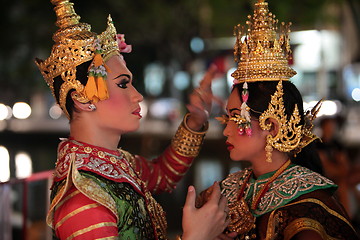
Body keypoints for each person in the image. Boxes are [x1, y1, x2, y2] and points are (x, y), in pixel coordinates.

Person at [35, 0, 229, 239]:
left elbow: (163, 175)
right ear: (82, 99)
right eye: (123, 84)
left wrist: (195, 122)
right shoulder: (83, 201)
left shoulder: (117, 162)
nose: (137, 96)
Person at [196, 0, 359, 239]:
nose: (226, 131)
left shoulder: (308, 208)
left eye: (236, 119)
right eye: (227, 119)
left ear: (271, 126)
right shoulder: (224, 193)